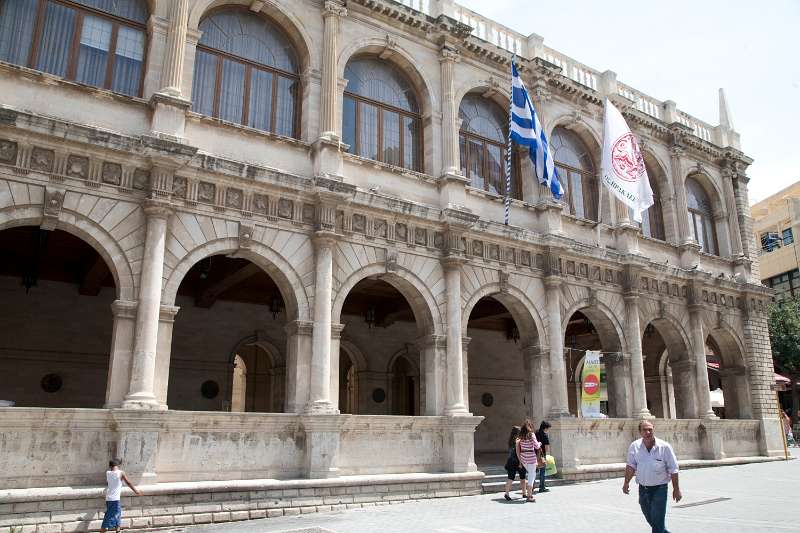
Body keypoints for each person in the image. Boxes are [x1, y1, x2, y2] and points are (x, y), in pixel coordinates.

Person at [622, 420, 681, 533]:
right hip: (643, 489)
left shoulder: (664, 447)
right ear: (640, 432)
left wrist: (676, 489)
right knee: (652, 520)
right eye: (645, 430)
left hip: (660, 489)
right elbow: (631, 466)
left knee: (657, 522)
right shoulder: (634, 446)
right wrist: (626, 483)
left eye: (650, 429)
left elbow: (673, 469)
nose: (648, 432)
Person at [100, 458, 142, 533]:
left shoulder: (108, 473)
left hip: (109, 498)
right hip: (115, 499)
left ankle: (118, 531)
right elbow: (128, 483)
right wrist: (136, 491)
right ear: (118, 465)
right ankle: (102, 530)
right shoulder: (121, 473)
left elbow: (110, 483)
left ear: (110, 466)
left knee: (117, 515)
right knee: (109, 517)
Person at [515, 419, 542, 502]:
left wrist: (520, 461)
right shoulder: (531, 434)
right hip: (531, 458)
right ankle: (529, 495)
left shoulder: (521, 436)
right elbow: (537, 446)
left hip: (524, 458)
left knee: (531, 475)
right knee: (531, 476)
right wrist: (540, 443)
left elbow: (518, 449)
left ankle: (529, 494)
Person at [503, 425, 527, 501]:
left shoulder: (510, 441)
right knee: (523, 478)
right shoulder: (518, 440)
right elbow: (519, 452)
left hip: (511, 461)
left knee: (510, 478)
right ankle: (524, 493)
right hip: (519, 461)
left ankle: (506, 493)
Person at [535, 421, 552, 493]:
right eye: (548, 428)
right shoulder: (545, 435)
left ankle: (531, 487)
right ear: (545, 428)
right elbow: (547, 447)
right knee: (542, 471)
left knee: (534, 472)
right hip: (542, 455)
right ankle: (542, 487)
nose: (548, 430)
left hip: (534, 454)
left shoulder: (536, 433)